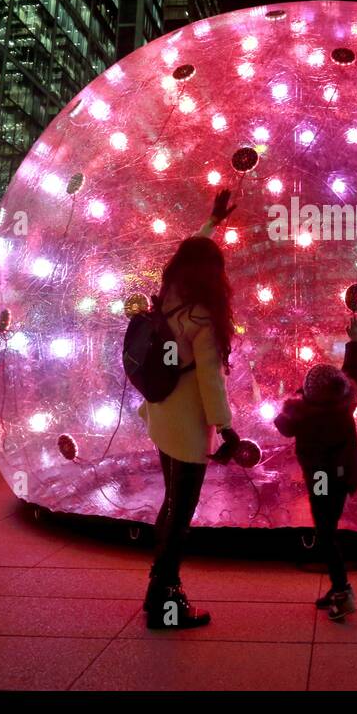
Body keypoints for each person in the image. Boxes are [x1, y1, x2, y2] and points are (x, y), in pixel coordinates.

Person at [139, 189, 238, 629]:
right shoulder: (202, 316)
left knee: (172, 503)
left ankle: (158, 593)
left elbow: (189, 251)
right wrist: (227, 428)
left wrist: (212, 224)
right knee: (180, 513)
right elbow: (210, 379)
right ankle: (165, 601)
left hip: (160, 414)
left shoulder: (169, 298)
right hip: (187, 427)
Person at [273, 315, 357, 621]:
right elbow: (353, 373)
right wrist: (354, 341)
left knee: (325, 534)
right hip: (343, 476)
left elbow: (282, 426)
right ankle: (337, 587)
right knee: (328, 529)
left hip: (322, 480)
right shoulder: (345, 402)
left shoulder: (304, 414)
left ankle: (342, 591)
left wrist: (293, 400)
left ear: (308, 392)